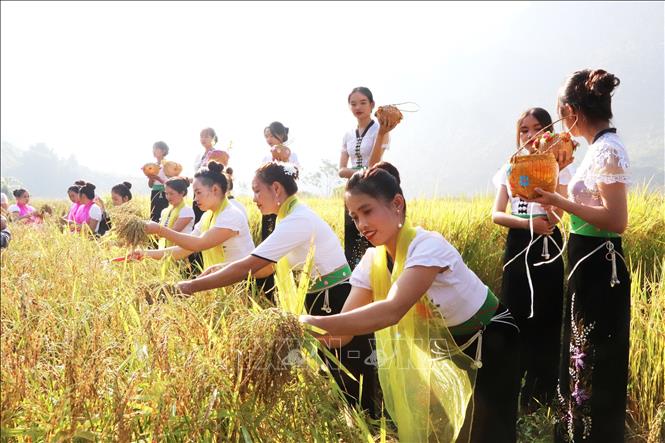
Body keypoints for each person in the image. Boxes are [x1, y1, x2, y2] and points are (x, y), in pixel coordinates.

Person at [301, 162, 521, 442]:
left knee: (488, 431)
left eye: (367, 211)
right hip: (448, 347)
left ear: (396, 204)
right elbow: (342, 334)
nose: (362, 225)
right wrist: (300, 331)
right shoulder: (372, 262)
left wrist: (315, 321)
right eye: (355, 217)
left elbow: (392, 310)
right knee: (450, 428)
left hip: (491, 338)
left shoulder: (428, 247)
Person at [175, 161, 382, 419]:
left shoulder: (297, 220)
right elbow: (266, 267)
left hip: (335, 300)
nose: (253, 199)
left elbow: (251, 265)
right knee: (338, 384)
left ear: (275, 188)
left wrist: (189, 286)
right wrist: (220, 270)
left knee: (353, 385)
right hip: (322, 299)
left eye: (256, 190)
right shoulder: (289, 218)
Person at [527, 69, 631, 443]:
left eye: (558, 110)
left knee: (594, 359)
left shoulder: (607, 150)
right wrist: (551, 190)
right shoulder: (596, 149)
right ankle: (576, 433)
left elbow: (616, 219)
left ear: (569, 110)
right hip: (586, 262)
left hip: (601, 267)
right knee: (580, 354)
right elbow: (582, 203)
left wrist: (558, 200)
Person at [491, 107, 573, 411]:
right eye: (524, 130)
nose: (530, 135)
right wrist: (527, 224)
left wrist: (545, 197)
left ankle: (542, 394)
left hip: (547, 245)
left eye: (538, 128)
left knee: (547, 314)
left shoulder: (559, 166)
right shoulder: (510, 167)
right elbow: (497, 214)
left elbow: (557, 214)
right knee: (514, 311)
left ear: (549, 133)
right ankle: (511, 386)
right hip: (518, 242)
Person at [126, 162, 253, 273]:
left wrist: (159, 230)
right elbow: (184, 249)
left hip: (244, 284)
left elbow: (199, 244)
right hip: (223, 284)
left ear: (214, 189)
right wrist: (144, 254)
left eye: (198, 192)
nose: (195, 198)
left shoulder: (231, 215)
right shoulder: (207, 217)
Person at [338, 87, 398, 270]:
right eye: (353, 103)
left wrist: (380, 135)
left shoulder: (381, 130)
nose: (358, 107)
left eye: (363, 102)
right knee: (352, 238)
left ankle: (382, 284)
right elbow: (340, 170)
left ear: (372, 105)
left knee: (375, 236)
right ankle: (356, 283)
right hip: (352, 191)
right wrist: (359, 171)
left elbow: (374, 163)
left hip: (372, 189)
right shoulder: (348, 134)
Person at [192, 127, 230, 224]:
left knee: (210, 217)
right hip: (199, 189)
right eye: (201, 137)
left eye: (206, 136)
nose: (203, 139)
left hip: (209, 189)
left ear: (213, 138)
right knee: (198, 217)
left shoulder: (218, 154)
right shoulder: (199, 156)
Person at [148, 141, 170, 223]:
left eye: (156, 149)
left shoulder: (168, 165)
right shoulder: (152, 166)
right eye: (153, 149)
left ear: (163, 151)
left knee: (164, 216)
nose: (154, 151)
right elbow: (150, 185)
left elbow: (170, 182)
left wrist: (158, 178)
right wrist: (151, 178)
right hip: (154, 192)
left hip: (164, 193)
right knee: (154, 215)